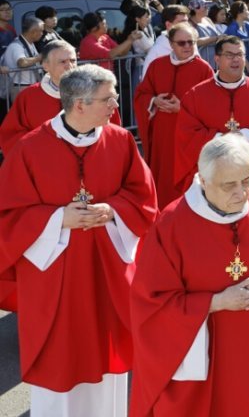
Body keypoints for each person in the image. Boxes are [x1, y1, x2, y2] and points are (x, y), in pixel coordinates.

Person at [0, 66, 157, 415]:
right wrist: (59, 219)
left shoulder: (119, 140)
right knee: (60, 360)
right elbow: (8, 216)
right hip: (54, 278)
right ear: (79, 105)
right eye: (107, 98)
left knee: (106, 358)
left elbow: (143, 197)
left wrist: (111, 209)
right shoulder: (30, 148)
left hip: (105, 270)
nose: (115, 105)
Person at [129, 133, 249, 417]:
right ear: (202, 181)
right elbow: (152, 302)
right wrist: (216, 302)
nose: (242, 193)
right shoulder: (173, 224)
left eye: (247, 180)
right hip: (209, 357)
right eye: (229, 185)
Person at [175, 36, 249, 192]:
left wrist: (241, 139)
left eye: (240, 55)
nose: (236, 60)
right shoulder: (195, 95)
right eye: (229, 55)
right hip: (213, 174)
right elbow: (188, 134)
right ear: (217, 59)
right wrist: (224, 142)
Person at [134, 23, 214, 206]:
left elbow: (211, 105)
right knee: (162, 180)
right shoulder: (157, 65)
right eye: (181, 43)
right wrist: (154, 101)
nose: (187, 47)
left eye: (191, 42)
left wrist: (183, 108)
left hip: (188, 138)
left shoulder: (204, 69)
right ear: (171, 44)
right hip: (162, 136)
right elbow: (141, 94)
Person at [1, 14, 44, 100]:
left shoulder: (29, 43)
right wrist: (40, 57)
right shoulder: (16, 46)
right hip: (21, 89)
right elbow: (22, 62)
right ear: (33, 32)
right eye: (41, 31)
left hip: (27, 87)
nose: (42, 34)